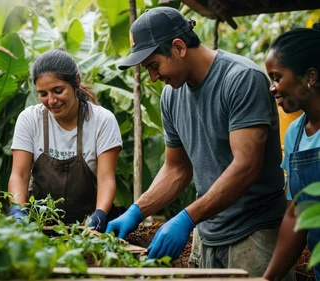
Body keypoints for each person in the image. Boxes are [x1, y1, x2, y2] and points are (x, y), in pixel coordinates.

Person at [105, 7, 292, 278]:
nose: (154, 78)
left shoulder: (240, 79)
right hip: (206, 234)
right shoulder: (171, 96)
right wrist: (136, 210)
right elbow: (177, 168)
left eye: (154, 66)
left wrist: (186, 217)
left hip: (255, 234)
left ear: (179, 47)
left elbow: (246, 167)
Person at [7, 49, 122, 232]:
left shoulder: (102, 120)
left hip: (88, 227)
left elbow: (106, 179)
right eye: (43, 94)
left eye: (58, 91)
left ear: (76, 82)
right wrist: (17, 211)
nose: (51, 100)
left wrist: (99, 214)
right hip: (41, 225)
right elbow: (19, 175)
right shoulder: (30, 119)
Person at [263, 25, 320, 281]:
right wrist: (268, 278)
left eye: (277, 77)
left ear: (309, 76)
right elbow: (297, 213)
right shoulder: (295, 134)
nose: (272, 88)